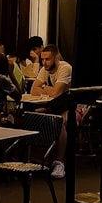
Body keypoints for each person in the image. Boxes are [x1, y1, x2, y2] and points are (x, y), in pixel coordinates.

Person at [30, 44, 73, 179]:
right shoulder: (44, 69)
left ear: (56, 58)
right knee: (33, 116)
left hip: (70, 107)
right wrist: (50, 89)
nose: (44, 63)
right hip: (52, 107)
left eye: (47, 59)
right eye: (42, 59)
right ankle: (35, 159)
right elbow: (33, 90)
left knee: (59, 123)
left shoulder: (65, 68)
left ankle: (59, 162)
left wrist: (45, 88)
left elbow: (56, 93)